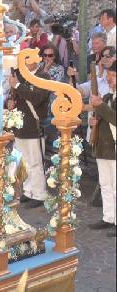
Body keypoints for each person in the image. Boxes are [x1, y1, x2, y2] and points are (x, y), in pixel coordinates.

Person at [8, 61, 51, 208]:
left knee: (36, 162)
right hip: (20, 125)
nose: (25, 64)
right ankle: (28, 191)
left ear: (37, 60)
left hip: (34, 125)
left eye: (28, 60)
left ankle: (39, 194)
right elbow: (13, 96)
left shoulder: (43, 76)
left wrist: (18, 86)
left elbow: (37, 98)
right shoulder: (20, 75)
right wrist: (10, 102)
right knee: (24, 163)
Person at [87, 60, 116, 237]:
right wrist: (93, 121)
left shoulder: (104, 101)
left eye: (113, 76)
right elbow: (100, 119)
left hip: (114, 148)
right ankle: (108, 217)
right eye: (109, 76)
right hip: (103, 148)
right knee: (105, 185)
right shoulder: (106, 98)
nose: (110, 79)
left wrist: (100, 106)